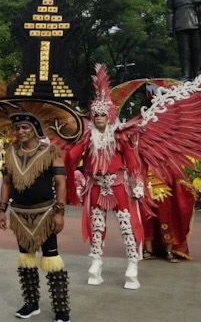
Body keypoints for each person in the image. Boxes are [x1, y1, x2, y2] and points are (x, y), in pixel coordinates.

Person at [64, 65, 144, 290]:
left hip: (118, 185)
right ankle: (96, 263)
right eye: (96, 115)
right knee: (96, 226)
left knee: (126, 226)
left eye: (102, 115)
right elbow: (72, 156)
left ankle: (132, 266)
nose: (99, 119)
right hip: (96, 186)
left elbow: (133, 161)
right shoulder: (87, 137)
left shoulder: (119, 136)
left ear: (109, 116)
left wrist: (137, 183)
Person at [0, 111, 69, 322]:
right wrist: (1, 210)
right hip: (19, 215)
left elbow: (61, 183)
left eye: (25, 127)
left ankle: (61, 310)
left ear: (35, 130)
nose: (20, 131)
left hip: (45, 214)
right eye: (17, 128)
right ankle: (31, 303)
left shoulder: (51, 152)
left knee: (52, 260)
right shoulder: (10, 153)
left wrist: (60, 213)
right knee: (26, 261)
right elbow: (7, 183)